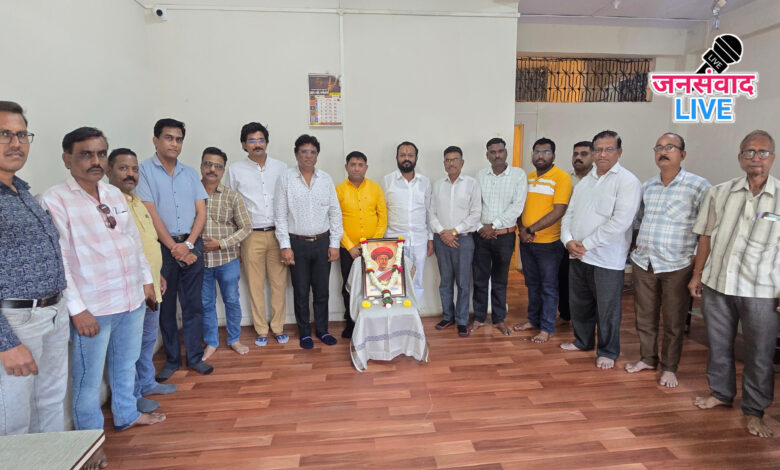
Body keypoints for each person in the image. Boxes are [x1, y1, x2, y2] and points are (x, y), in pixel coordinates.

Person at [41, 127, 165, 469]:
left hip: (130, 299)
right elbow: (60, 261)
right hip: (93, 308)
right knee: (87, 381)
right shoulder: (55, 200)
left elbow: (132, 243)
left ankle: (126, 415)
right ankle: (89, 444)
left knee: (125, 365)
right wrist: (77, 309)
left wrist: (145, 282)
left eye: (100, 154)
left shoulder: (113, 195)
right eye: (86, 154)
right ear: (67, 159)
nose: (95, 161)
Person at [689, 130, 780, 438]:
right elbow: (705, 236)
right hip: (718, 285)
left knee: (760, 354)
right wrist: (697, 274)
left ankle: (754, 410)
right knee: (718, 346)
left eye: (763, 152)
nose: (756, 158)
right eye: (749, 152)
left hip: (763, 291)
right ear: (740, 158)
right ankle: (721, 393)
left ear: (773, 157)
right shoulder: (720, 192)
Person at [0, 101, 68, 436]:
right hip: (15, 322)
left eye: (22, 134)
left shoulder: (22, 191)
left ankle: (56, 459)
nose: (16, 143)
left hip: (52, 314)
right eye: (4, 134)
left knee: (51, 403)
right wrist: (5, 342)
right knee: (12, 420)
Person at [625, 133, 710, 387]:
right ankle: (648, 358)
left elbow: (707, 230)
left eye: (670, 147)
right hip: (644, 262)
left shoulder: (699, 186)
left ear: (682, 154)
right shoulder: (648, 186)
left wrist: (698, 269)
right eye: (659, 148)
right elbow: (639, 220)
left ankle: (670, 367)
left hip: (678, 265)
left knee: (673, 321)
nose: (663, 152)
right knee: (644, 317)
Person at [137, 118, 213, 379]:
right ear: (155, 140)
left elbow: (201, 212)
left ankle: (194, 357)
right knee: (166, 307)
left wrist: (188, 244)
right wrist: (174, 247)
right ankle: (171, 360)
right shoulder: (144, 171)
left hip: (192, 244)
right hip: (162, 247)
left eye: (179, 139)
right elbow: (150, 214)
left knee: (193, 305)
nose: (174, 144)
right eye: (168, 138)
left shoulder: (189, 173)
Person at [560, 130, 641, 369]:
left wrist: (586, 244)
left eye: (608, 149)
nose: (602, 154)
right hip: (577, 255)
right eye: (598, 150)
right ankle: (582, 340)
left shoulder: (628, 181)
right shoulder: (585, 181)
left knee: (607, 309)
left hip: (607, 259)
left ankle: (607, 351)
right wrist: (568, 241)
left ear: (619, 152)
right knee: (580, 303)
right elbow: (569, 215)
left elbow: (621, 222)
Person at [106, 148, 178, 415]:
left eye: (134, 169)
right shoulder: (109, 204)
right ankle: (133, 396)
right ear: (109, 170)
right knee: (129, 348)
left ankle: (147, 383)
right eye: (123, 168)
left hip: (151, 283)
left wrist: (157, 274)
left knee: (147, 339)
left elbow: (145, 243)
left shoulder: (136, 201)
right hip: (133, 288)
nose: (131, 174)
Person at [275, 135, 343, 349]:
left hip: (322, 242)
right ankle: (304, 332)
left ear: (317, 155)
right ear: (296, 154)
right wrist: (285, 246)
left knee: (322, 291)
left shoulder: (326, 179)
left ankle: (322, 330)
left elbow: (335, 212)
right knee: (301, 291)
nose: (308, 156)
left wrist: (334, 243)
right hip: (297, 244)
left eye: (312, 152)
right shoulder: (286, 178)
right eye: (303, 151)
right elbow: (280, 215)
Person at [225, 122, 289, 347]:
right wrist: (236, 243)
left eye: (260, 139)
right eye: (251, 140)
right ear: (244, 145)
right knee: (255, 284)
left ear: (267, 142)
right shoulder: (235, 170)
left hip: (278, 234)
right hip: (250, 236)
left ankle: (278, 327)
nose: (257, 144)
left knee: (279, 284)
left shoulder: (282, 168)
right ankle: (261, 329)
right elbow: (231, 205)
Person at [515, 138, 572, 343]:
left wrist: (530, 229)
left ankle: (547, 328)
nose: (540, 156)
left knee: (548, 287)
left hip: (549, 244)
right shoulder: (527, 178)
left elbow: (559, 211)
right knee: (532, 284)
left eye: (546, 152)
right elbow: (519, 206)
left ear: (553, 155)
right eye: (537, 152)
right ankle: (534, 320)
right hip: (527, 242)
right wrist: (522, 229)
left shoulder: (562, 177)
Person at [471, 137, 526, 336]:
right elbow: (474, 204)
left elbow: (517, 207)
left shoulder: (518, 175)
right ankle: (479, 317)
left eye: (500, 151)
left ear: (506, 152)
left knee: (500, 280)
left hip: (504, 236)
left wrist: (493, 226)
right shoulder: (480, 175)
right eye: (492, 152)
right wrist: (481, 227)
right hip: (481, 236)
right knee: (479, 279)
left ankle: (499, 319)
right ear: (487, 155)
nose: (497, 155)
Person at [200, 147, 251, 358]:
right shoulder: (191, 194)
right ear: (201, 166)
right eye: (208, 164)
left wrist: (221, 244)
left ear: (223, 170)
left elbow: (246, 227)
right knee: (205, 303)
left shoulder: (232, 196)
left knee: (231, 300)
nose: (212, 169)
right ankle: (211, 342)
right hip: (200, 262)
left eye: (218, 166)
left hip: (227, 259)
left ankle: (234, 339)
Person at [429, 146, 481, 338]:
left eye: (455, 159)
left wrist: (454, 231)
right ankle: (447, 316)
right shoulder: (437, 185)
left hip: (463, 240)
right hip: (441, 239)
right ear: (444, 163)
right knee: (445, 281)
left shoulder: (472, 184)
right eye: (448, 160)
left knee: (463, 283)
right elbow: (431, 213)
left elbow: (475, 213)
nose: (451, 163)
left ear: (462, 162)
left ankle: (462, 320)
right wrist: (443, 233)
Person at [336, 151, 387, 338]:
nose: (356, 168)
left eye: (360, 165)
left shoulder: (375, 188)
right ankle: (351, 323)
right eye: (352, 164)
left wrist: (371, 245)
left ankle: (372, 322)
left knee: (372, 286)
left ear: (366, 167)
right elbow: (335, 221)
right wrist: (349, 246)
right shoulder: (339, 190)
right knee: (349, 286)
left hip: (372, 249)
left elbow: (382, 218)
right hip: (347, 250)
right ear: (346, 167)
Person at [383, 141, 434, 303]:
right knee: (393, 282)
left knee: (416, 281)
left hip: (419, 240)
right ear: (396, 157)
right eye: (403, 155)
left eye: (410, 155)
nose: (406, 158)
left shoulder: (425, 182)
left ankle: (414, 313)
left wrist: (430, 238)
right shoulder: (387, 181)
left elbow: (429, 212)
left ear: (416, 158)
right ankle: (396, 314)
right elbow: (382, 211)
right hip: (394, 241)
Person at [559, 140, 594, 324]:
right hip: (566, 237)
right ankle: (566, 315)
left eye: (584, 154)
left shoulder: (599, 180)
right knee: (564, 279)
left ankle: (587, 320)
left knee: (589, 285)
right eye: (575, 154)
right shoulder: (565, 179)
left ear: (593, 156)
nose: (578, 158)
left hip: (590, 240)